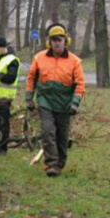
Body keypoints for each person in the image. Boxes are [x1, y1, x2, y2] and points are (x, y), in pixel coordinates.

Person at [25, 23, 85, 176]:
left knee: (62, 137)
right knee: (47, 131)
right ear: (49, 42)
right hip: (45, 100)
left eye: (60, 39)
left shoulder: (75, 61)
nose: (57, 43)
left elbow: (80, 84)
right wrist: (29, 99)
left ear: (66, 41)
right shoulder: (39, 58)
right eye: (54, 40)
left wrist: (75, 103)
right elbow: (31, 78)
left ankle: (59, 163)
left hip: (65, 104)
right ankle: (51, 164)